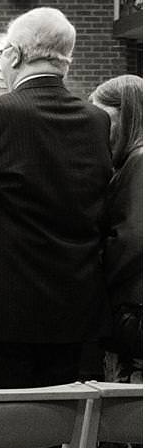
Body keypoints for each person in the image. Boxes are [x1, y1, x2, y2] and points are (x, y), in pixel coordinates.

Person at [0, 7, 112, 389]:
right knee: (59, 418)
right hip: (73, 301)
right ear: (66, 59)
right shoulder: (97, 120)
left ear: (14, 55)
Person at [90, 74, 143, 384]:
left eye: (104, 119)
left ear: (127, 115)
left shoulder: (138, 162)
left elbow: (133, 238)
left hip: (133, 311)